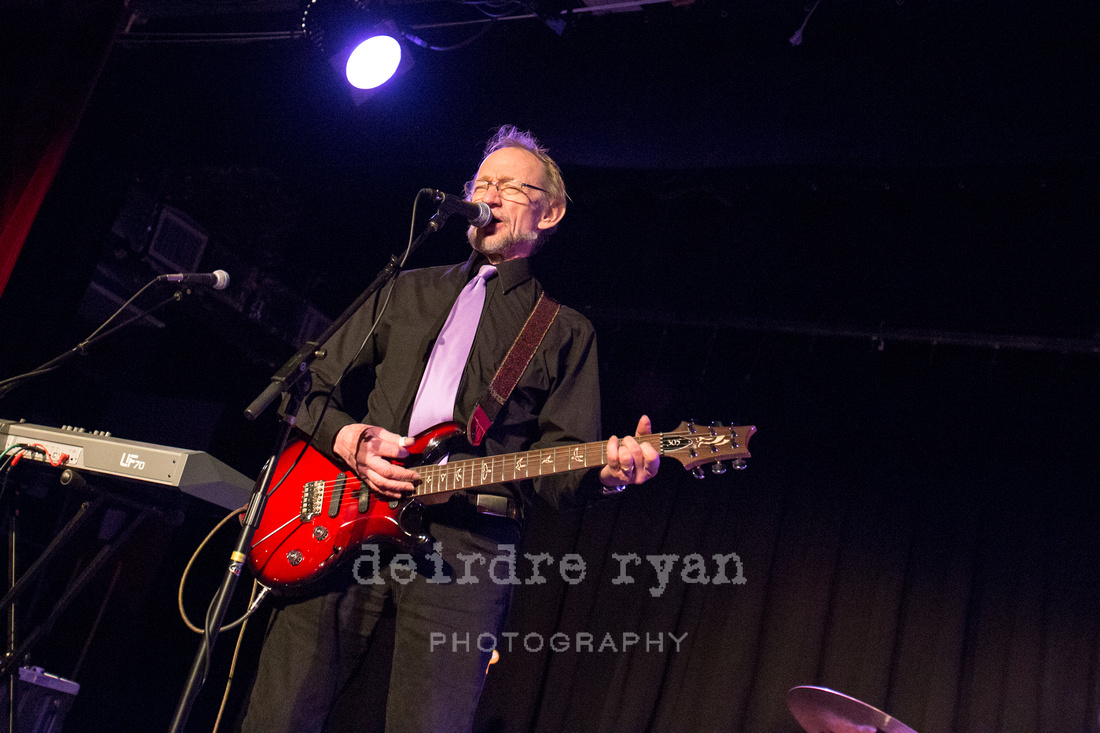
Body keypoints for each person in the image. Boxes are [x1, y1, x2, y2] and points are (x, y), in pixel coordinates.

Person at [240, 125, 660, 732]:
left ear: (551, 212)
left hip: (469, 550)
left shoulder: (564, 330)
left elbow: (557, 474)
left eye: (510, 186)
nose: (488, 194)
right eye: (481, 182)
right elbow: (302, 386)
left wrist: (611, 475)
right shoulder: (404, 289)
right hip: (344, 514)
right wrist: (349, 439)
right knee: (279, 714)